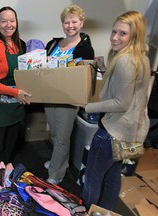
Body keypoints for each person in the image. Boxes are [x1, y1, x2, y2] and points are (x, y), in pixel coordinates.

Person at [81, 11, 151, 210]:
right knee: (113, 177)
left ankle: (88, 211)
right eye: (114, 32)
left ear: (134, 35)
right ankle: (104, 213)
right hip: (133, 133)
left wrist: (87, 106)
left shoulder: (124, 61)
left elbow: (121, 102)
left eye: (122, 34)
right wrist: (103, 69)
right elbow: (126, 88)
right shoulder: (141, 57)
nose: (114, 37)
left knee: (92, 180)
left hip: (113, 133)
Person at [44, 4, 95, 184]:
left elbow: (84, 75)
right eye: (67, 22)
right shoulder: (53, 44)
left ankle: (55, 174)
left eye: (74, 21)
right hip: (49, 95)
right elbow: (40, 69)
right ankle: (60, 163)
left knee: (63, 137)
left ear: (81, 23)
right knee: (55, 134)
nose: (70, 26)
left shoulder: (85, 48)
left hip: (68, 98)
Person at [0, 6, 31, 164]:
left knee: (11, 145)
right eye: (3, 21)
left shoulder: (19, 44)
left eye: (12, 20)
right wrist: (15, 92)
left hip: (15, 104)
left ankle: (5, 178)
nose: (8, 25)